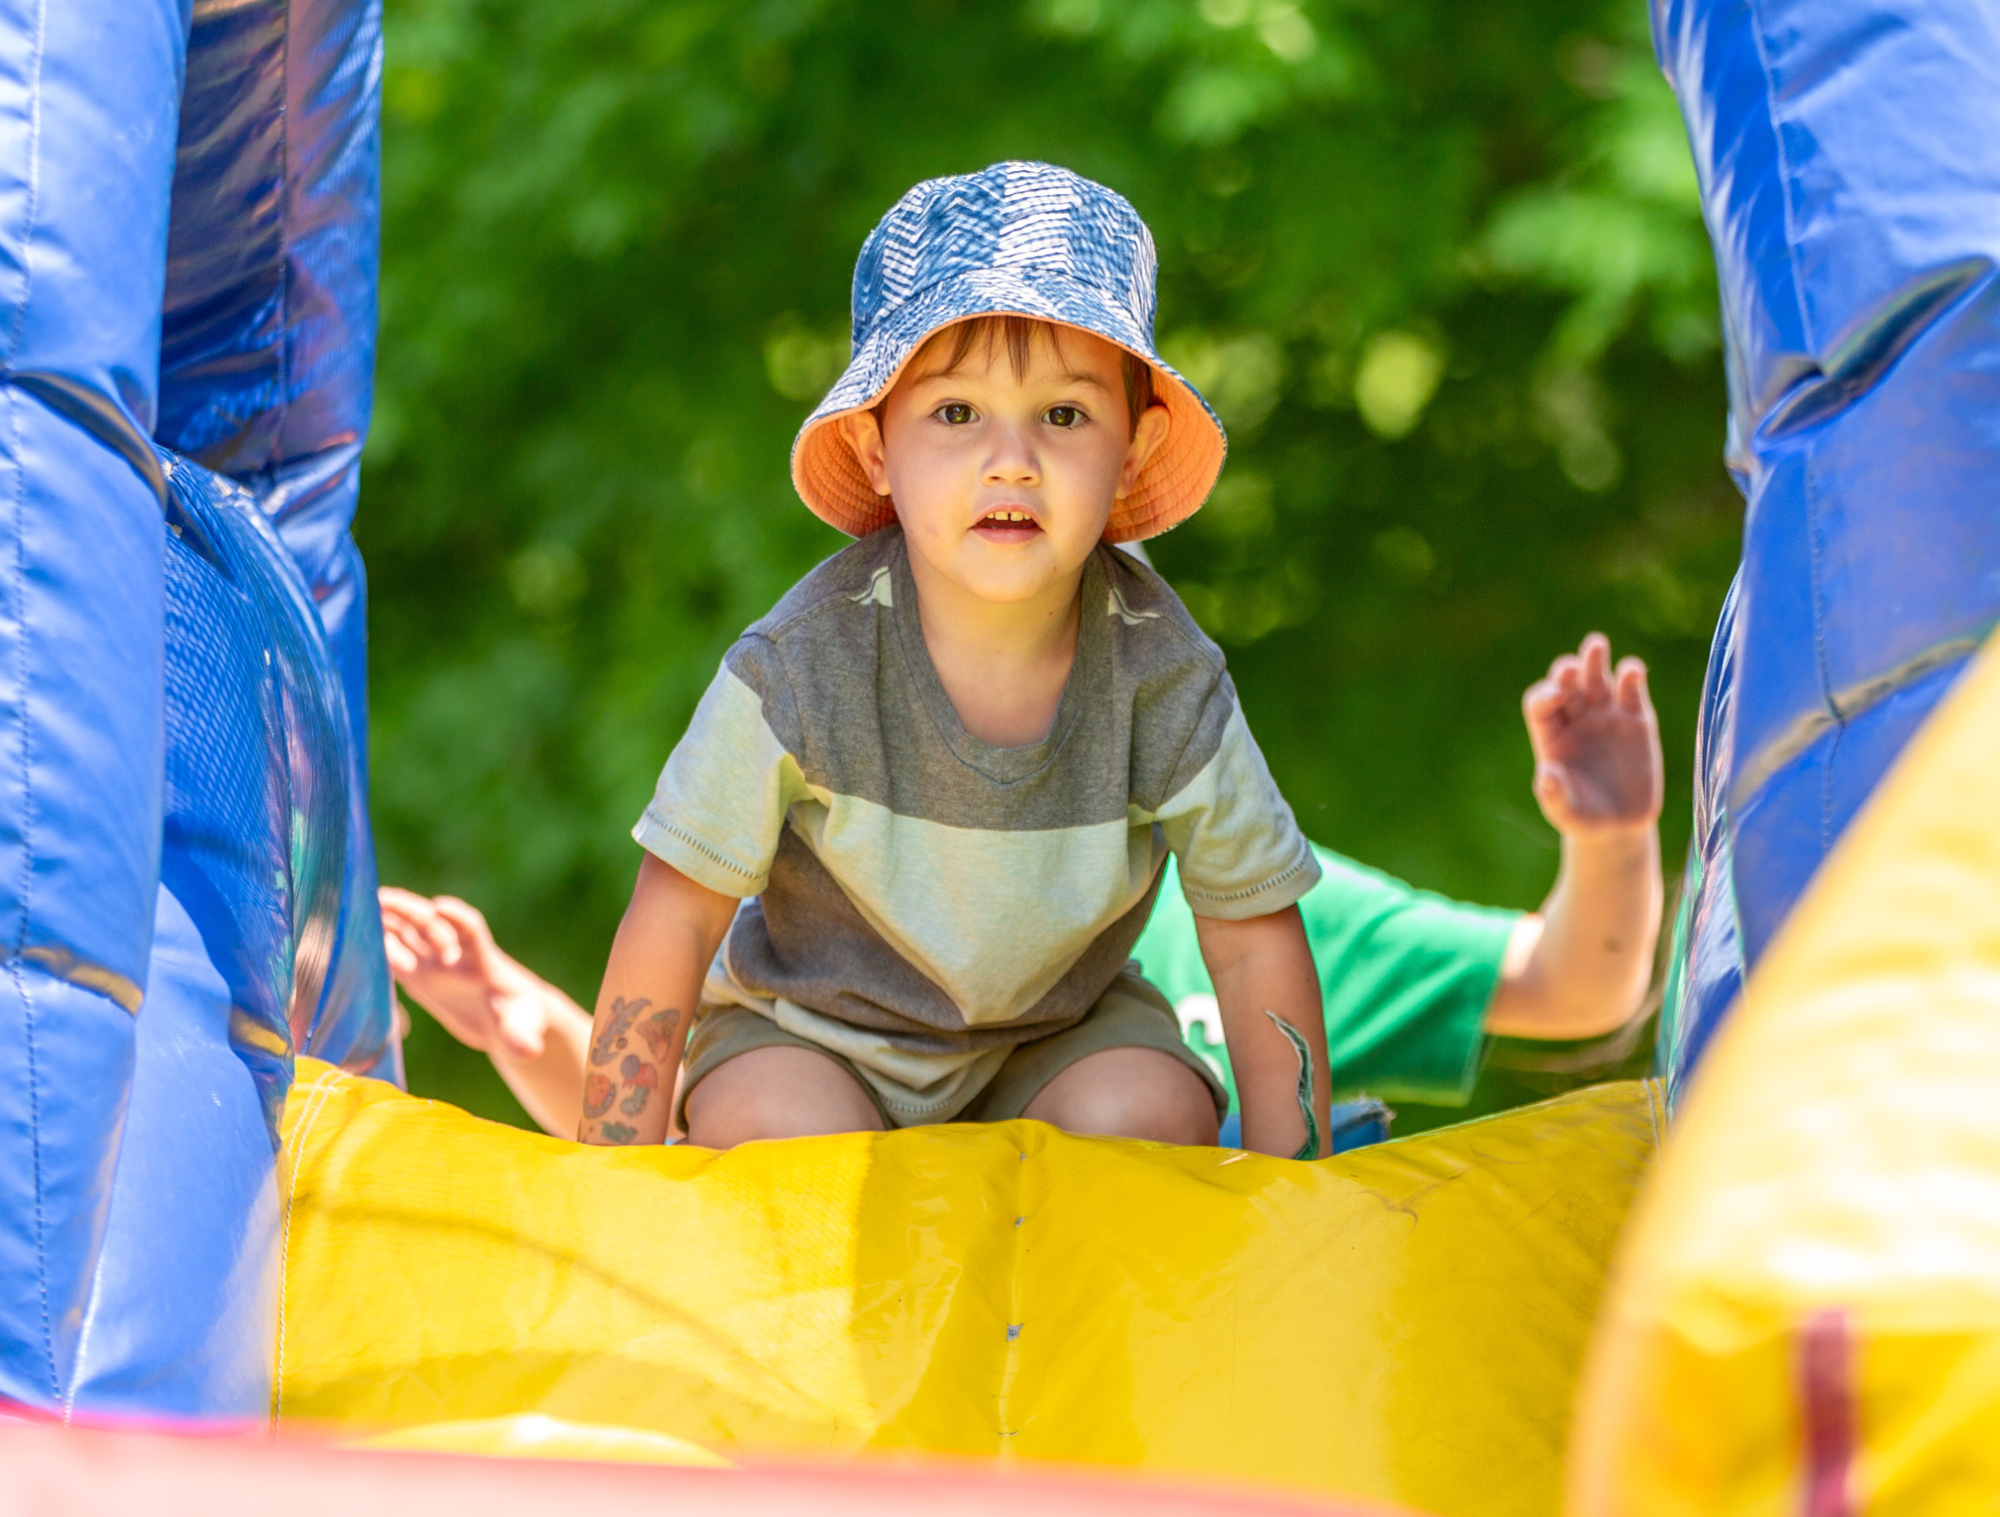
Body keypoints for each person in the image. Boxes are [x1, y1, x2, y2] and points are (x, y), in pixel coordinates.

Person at [385, 161, 1663, 1148]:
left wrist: (1293, 1195)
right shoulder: (802, 666)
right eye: (954, 413)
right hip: (819, 1035)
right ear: (879, 449)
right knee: (783, 1123)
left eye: (1064, 413)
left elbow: (1262, 934)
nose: (1012, 457)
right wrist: (617, 1176)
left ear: (1128, 452)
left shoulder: (1161, 672)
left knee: (1150, 1105)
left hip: (1053, 1044)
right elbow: (673, 915)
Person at [384, 632, 1663, 1141]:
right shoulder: (854, 963)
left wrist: (1612, 841)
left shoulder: (1267, 930)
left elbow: (1576, 986)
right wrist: (510, 1014)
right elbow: (684, 1152)